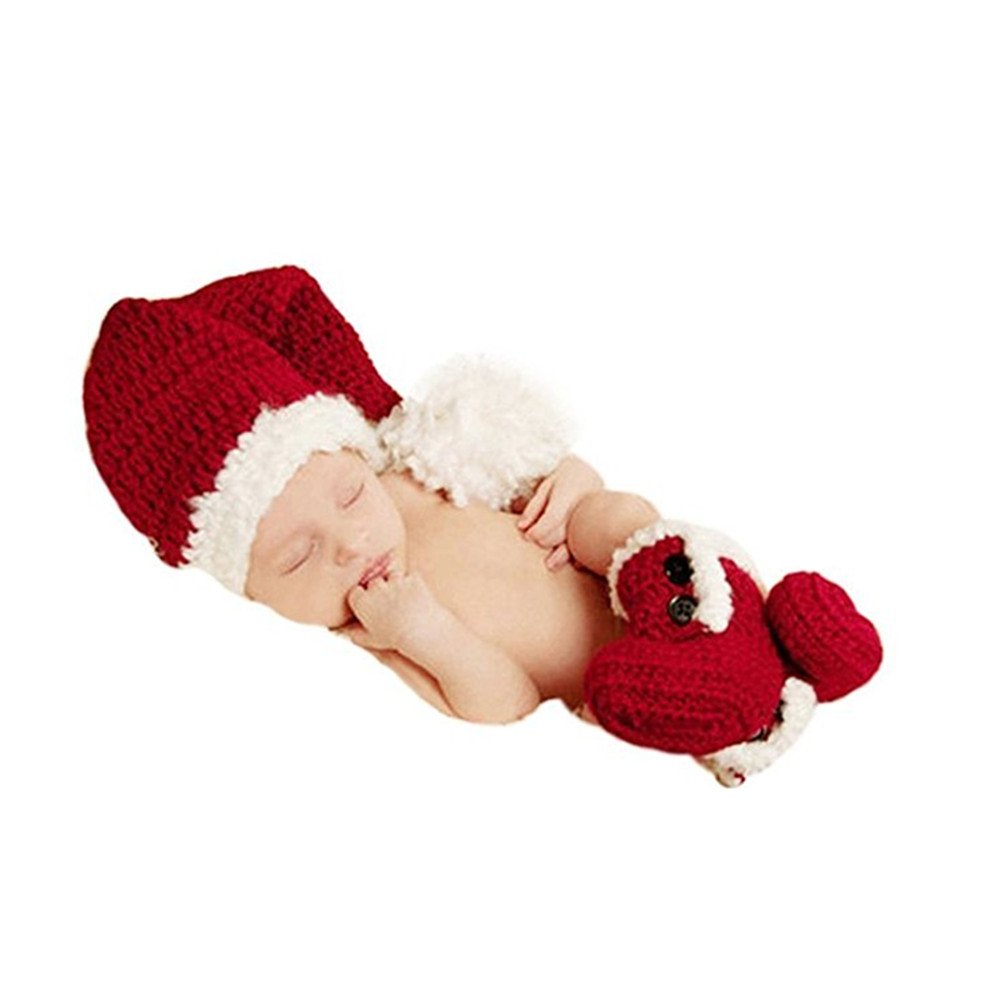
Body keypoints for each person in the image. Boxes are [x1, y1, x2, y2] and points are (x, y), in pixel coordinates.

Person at [83, 266, 881, 786]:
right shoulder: (379, 621)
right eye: (297, 558)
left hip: (649, 581)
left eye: (351, 495)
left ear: (354, 450)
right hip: (624, 678)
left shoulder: (425, 467)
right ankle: (731, 708)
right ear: (254, 594)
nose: (351, 542)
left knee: (615, 518)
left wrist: (573, 486)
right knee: (633, 683)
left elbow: (542, 479)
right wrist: (425, 632)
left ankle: (782, 626)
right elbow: (505, 700)